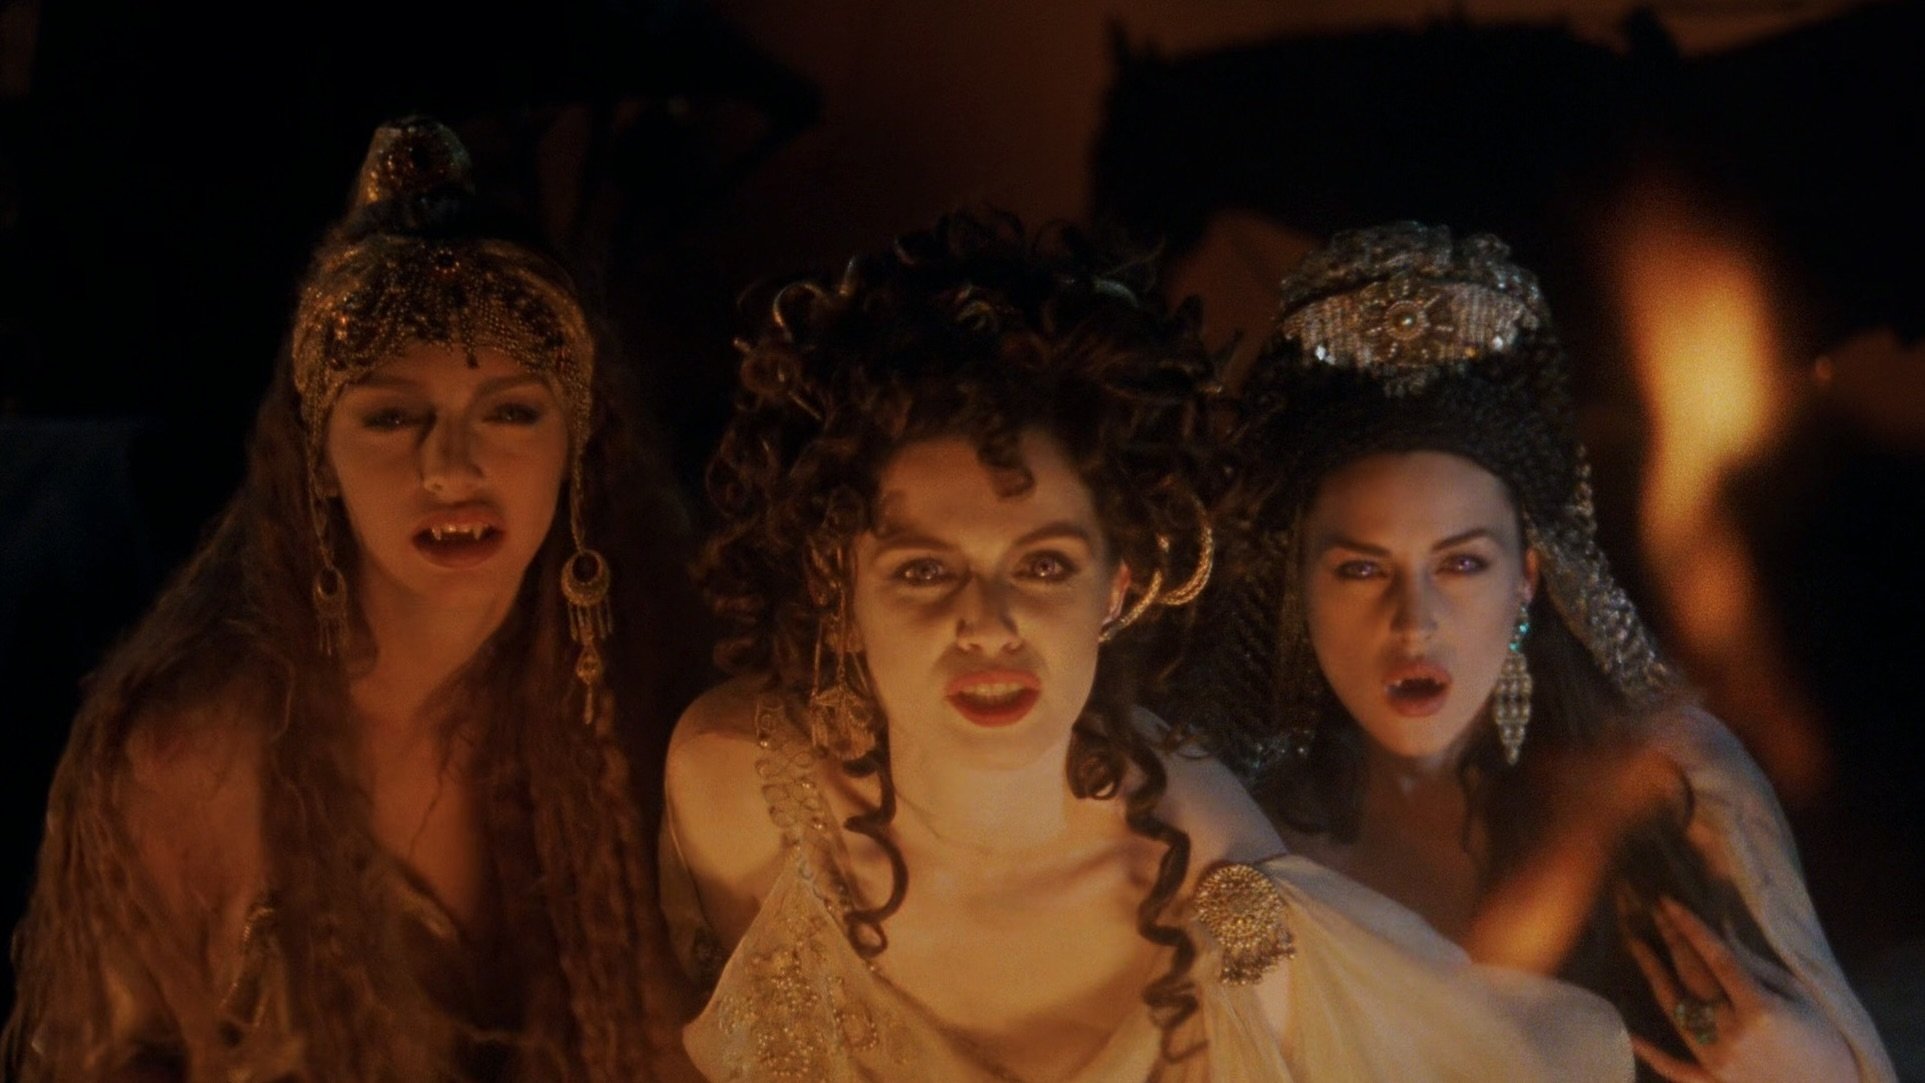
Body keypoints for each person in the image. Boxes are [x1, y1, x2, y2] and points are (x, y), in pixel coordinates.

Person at [660, 211, 1632, 1081]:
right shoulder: (736, 793)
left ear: (1118, 584)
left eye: (1042, 565)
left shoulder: (1215, 887)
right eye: (923, 570)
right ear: (838, 584)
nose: (987, 623)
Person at [4, 118, 694, 1082]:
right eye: (393, 416)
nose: (451, 467)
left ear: (574, 447)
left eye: (509, 411)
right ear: (316, 461)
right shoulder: (187, 759)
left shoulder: (648, 724)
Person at [1189, 221, 1894, 1082]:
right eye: (1362, 568)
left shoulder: (1679, 790)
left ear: (1526, 576)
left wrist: (1809, 1068)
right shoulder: (1241, 846)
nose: (1413, 622)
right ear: (1297, 581)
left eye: (1460, 563)